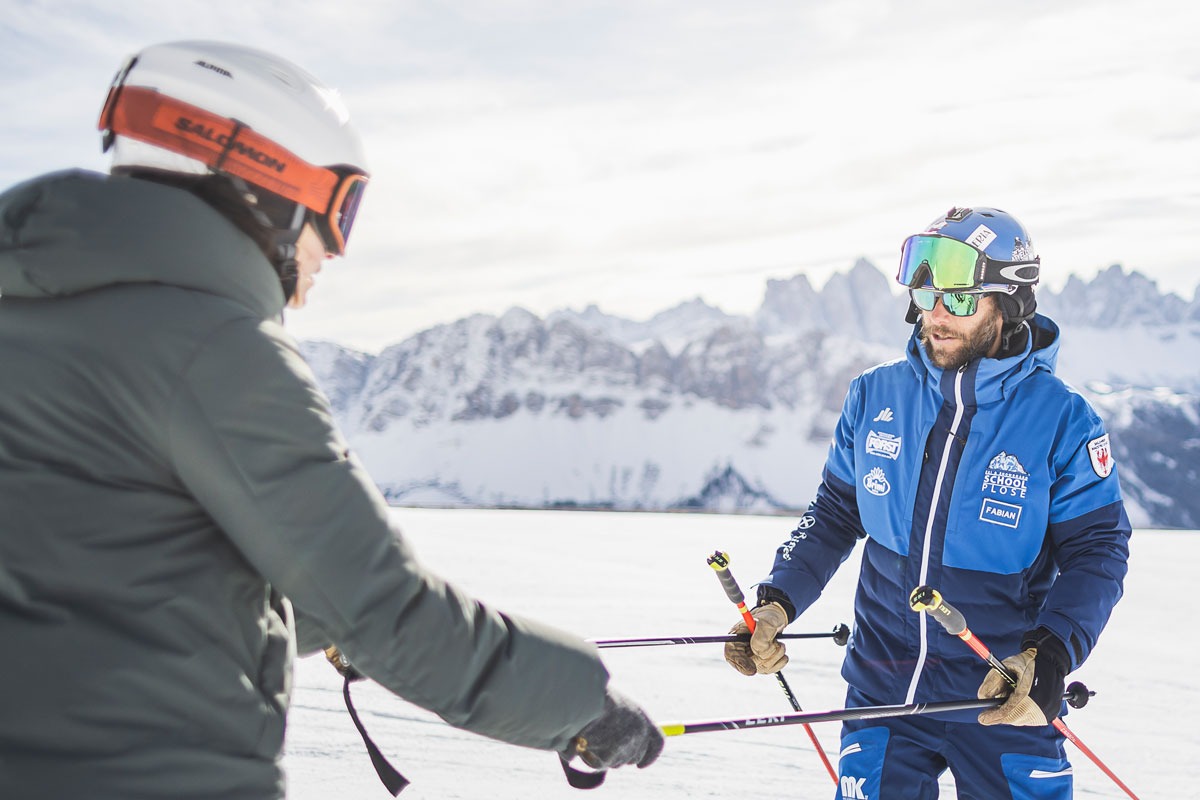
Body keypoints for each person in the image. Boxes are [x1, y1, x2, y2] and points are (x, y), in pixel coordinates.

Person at [0, 40, 661, 799]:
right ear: (266, 181)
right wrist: (585, 707)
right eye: (340, 209)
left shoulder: (29, 313)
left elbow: (109, 560)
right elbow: (390, 610)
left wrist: (311, 617)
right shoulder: (216, 352)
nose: (336, 252)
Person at [724, 207, 1130, 798]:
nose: (935, 314)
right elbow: (834, 516)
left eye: (960, 301)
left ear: (1008, 303)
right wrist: (777, 602)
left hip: (1000, 693)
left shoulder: (1062, 419)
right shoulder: (873, 395)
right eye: (925, 292)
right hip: (883, 687)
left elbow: (1098, 551)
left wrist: (1051, 653)